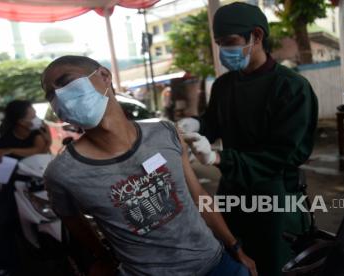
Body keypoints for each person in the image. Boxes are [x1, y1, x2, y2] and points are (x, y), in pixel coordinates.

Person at [40, 55, 258, 276]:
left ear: (105, 76)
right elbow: (71, 220)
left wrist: (235, 246)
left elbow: (198, 194)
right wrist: (102, 257)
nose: (61, 96)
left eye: (66, 83)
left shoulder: (165, 133)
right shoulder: (62, 174)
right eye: (51, 95)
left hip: (217, 264)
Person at [179, 2, 319, 276]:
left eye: (229, 42)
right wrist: (197, 124)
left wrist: (219, 157)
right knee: (235, 257)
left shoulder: (291, 87)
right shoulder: (224, 85)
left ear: (256, 36)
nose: (223, 51)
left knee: (272, 263)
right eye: (219, 43)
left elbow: (286, 154)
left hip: (274, 195)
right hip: (232, 190)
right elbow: (214, 123)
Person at [0, 100, 51, 276]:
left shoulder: (37, 132)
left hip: (42, 178)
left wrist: (10, 150)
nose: (36, 118)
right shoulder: (6, 137)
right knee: (2, 220)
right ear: (20, 121)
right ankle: (7, 266)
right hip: (15, 182)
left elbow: (39, 150)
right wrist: (1, 153)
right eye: (32, 116)